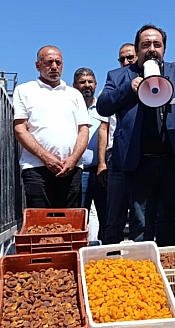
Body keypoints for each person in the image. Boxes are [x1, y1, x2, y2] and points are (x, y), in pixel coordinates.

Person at [97, 24, 175, 246]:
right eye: (146, 44)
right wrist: (128, 89)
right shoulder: (118, 76)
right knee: (141, 225)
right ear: (137, 49)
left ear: (164, 50)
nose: (152, 49)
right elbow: (103, 107)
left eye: (157, 45)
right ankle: (146, 275)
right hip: (138, 164)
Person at [13, 45, 90, 208]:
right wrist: (46, 158)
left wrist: (73, 159)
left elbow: (83, 129)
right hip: (36, 169)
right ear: (37, 65)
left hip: (71, 169)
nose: (54, 66)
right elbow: (20, 129)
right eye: (49, 62)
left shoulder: (74, 94)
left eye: (58, 62)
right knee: (40, 226)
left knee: (70, 226)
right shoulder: (24, 91)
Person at [98, 43, 136, 244]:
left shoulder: (145, 84)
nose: (126, 62)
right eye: (122, 59)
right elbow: (103, 128)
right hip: (116, 157)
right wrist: (102, 162)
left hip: (139, 154)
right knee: (115, 213)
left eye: (130, 57)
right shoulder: (113, 85)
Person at [73, 67, 107, 241]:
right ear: (75, 85)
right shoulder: (70, 108)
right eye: (82, 82)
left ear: (95, 84)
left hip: (101, 171)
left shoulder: (103, 107)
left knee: (107, 218)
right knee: (79, 219)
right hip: (79, 172)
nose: (86, 85)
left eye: (90, 82)